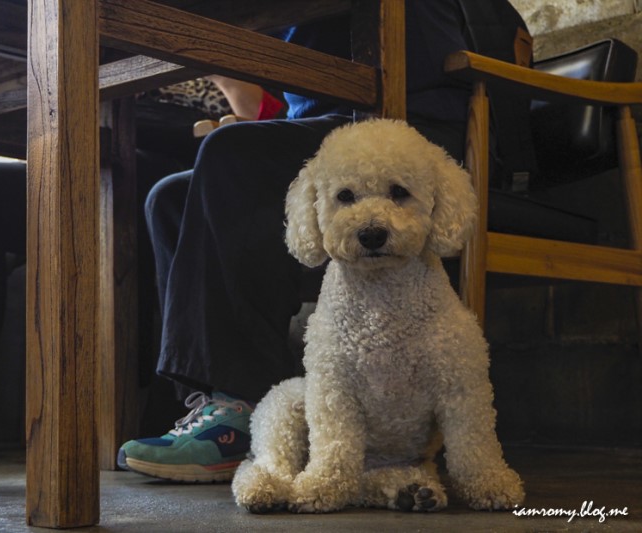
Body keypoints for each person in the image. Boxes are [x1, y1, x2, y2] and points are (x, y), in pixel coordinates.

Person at [117, 1, 484, 482]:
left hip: (406, 122)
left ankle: (242, 406)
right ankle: (213, 405)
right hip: (326, 128)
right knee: (169, 197)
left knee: (230, 154)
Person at [0, 77, 281, 459]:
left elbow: (268, 122)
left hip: (182, 163)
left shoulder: (228, 58)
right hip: (89, 151)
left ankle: (146, 402)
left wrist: (213, 67)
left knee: (149, 190)